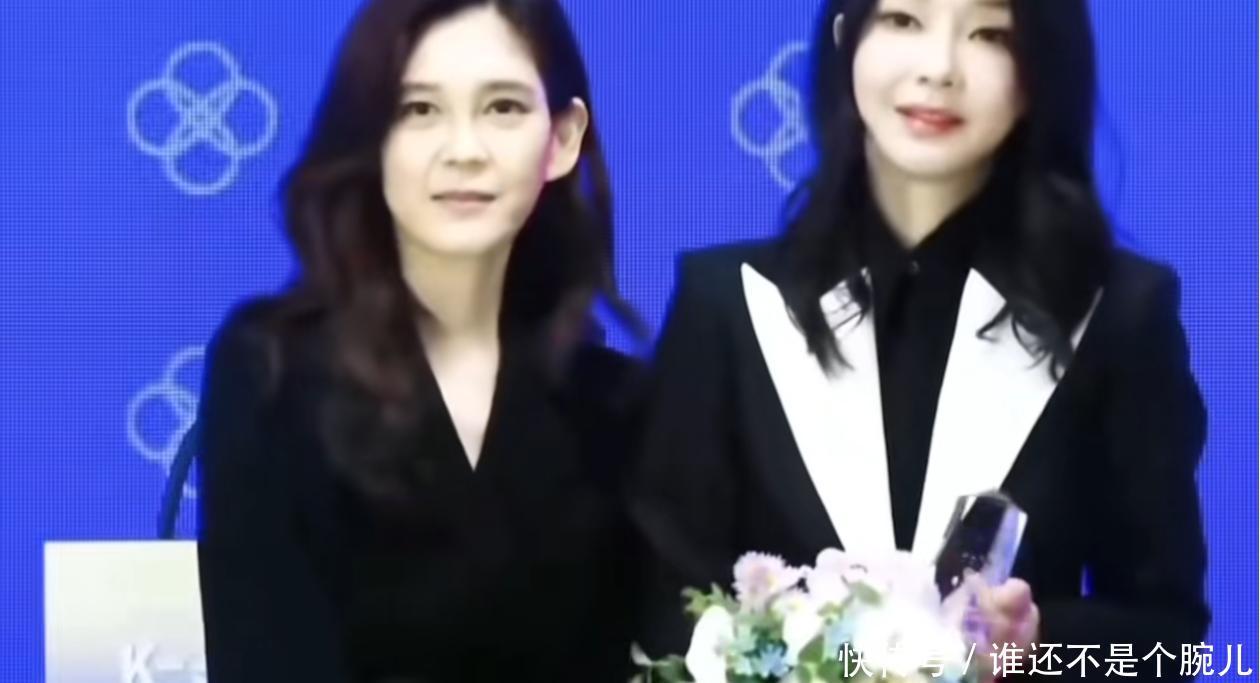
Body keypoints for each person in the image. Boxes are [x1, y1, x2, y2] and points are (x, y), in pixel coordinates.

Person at [631, 0, 1208, 679]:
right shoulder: (728, 303)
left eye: (989, 33)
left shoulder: (1117, 314)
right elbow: (664, 606)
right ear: (847, 39)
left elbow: (1169, 635)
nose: (939, 69)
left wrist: (1037, 643)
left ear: (1041, 70)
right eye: (903, 20)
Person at [196, 1, 641, 680]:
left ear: (562, 137)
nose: (464, 150)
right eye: (419, 110)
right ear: (370, 138)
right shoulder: (272, 369)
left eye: (502, 108)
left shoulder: (613, 402)